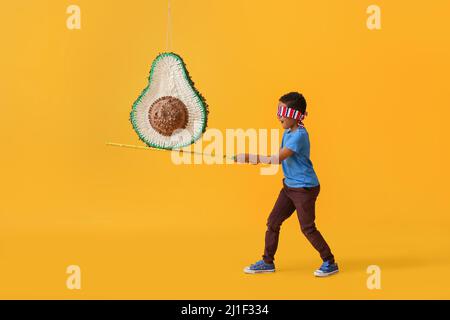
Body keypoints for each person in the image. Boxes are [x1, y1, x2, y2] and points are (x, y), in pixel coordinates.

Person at [234, 92, 338, 277]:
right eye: (277, 110)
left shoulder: (299, 136)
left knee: (307, 228)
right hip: (289, 187)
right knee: (273, 222)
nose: (278, 115)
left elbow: (278, 159)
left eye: (282, 111)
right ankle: (267, 262)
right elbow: (279, 157)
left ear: (296, 114)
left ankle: (329, 261)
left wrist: (250, 157)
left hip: (304, 188)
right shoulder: (287, 132)